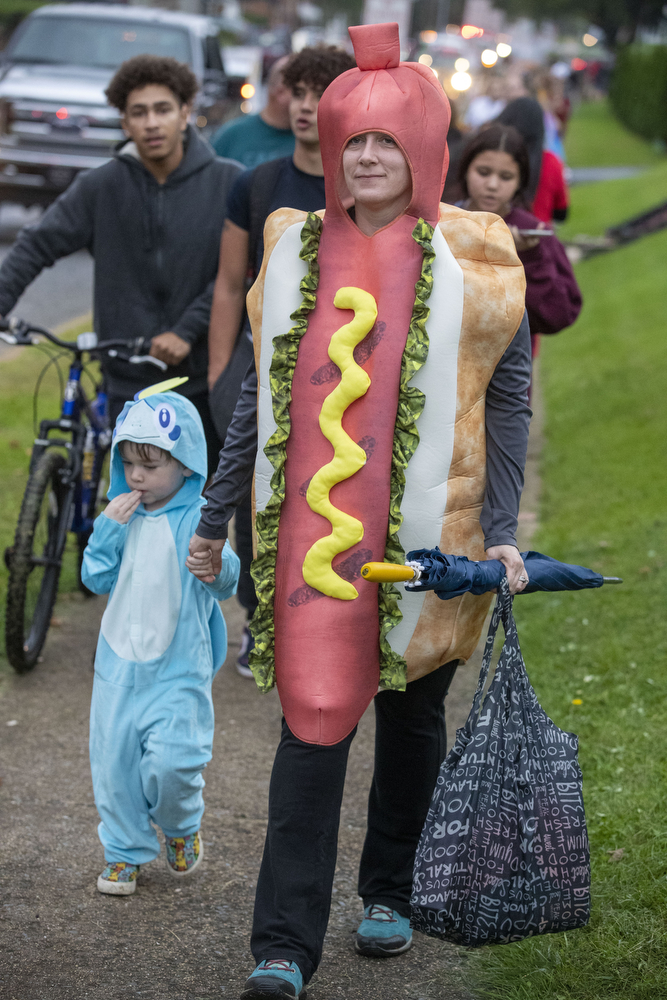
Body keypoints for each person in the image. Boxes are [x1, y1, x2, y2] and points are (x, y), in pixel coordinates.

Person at [191, 22, 532, 998]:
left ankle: (389, 887)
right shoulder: (292, 252)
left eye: (388, 141)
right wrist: (216, 519)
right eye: (354, 143)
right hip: (311, 551)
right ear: (333, 156)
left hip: (436, 541)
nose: (369, 157)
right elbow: (259, 399)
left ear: (424, 155)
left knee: (411, 716)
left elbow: (507, 403)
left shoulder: (476, 259)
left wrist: (502, 531)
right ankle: (282, 944)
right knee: (311, 726)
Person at [0, 55, 243, 476]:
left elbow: (242, 273)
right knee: (130, 502)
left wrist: (187, 330)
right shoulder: (101, 186)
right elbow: (36, 246)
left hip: (202, 379)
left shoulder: (229, 182)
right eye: (138, 113)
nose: (152, 123)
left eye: (163, 109)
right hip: (126, 377)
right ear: (124, 123)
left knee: (196, 513)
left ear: (186, 112)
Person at [207, 45, 355, 677]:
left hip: (342, 370)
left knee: (328, 496)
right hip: (260, 368)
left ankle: (328, 620)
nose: (304, 104)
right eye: (296, 91)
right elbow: (228, 283)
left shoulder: (358, 181)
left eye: (319, 92)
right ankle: (257, 618)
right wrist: (220, 375)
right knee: (253, 498)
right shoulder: (258, 183)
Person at [81, 385, 240, 895]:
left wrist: (211, 563)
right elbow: (95, 579)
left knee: (176, 762)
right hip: (117, 672)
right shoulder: (121, 516)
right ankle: (124, 850)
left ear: (188, 462)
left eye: (150, 464)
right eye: (128, 463)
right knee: (115, 765)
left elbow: (228, 580)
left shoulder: (197, 518)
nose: (136, 476)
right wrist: (105, 530)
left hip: (177, 672)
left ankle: (180, 823)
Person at [457, 123, 581, 358]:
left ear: (520, 181)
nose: (492, 185)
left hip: (507, 376)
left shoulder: (532, 234)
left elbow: (559, 315)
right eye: (483, 172)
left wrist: (529, 258)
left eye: (506, 177)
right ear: (465, 169)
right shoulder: (442, 223)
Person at [211, 56, 295, 168]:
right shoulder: (231, 137)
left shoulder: (313, 139)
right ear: (280, 92)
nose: (307, 104)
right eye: (300, 93)